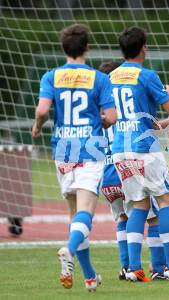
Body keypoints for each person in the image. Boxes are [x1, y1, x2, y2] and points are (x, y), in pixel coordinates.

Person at [32, 24, 117, 291]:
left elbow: (43, 109)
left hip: (63, 150)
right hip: (89, 149)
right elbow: (112, 117)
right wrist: (98, 121)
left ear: (64, 49)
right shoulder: (99, 79)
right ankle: (68, 249)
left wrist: (37, 126)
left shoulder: (51, 76)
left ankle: (90, 276)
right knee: (85, 213)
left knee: (74, 216)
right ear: (87, 48)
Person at [110, 26, 169, 282]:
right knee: (166, 201)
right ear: (143, 47)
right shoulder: (146, 76)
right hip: (144, 148)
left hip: (120, 149)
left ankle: (134, 268)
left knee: (138, 205)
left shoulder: (110, 76)